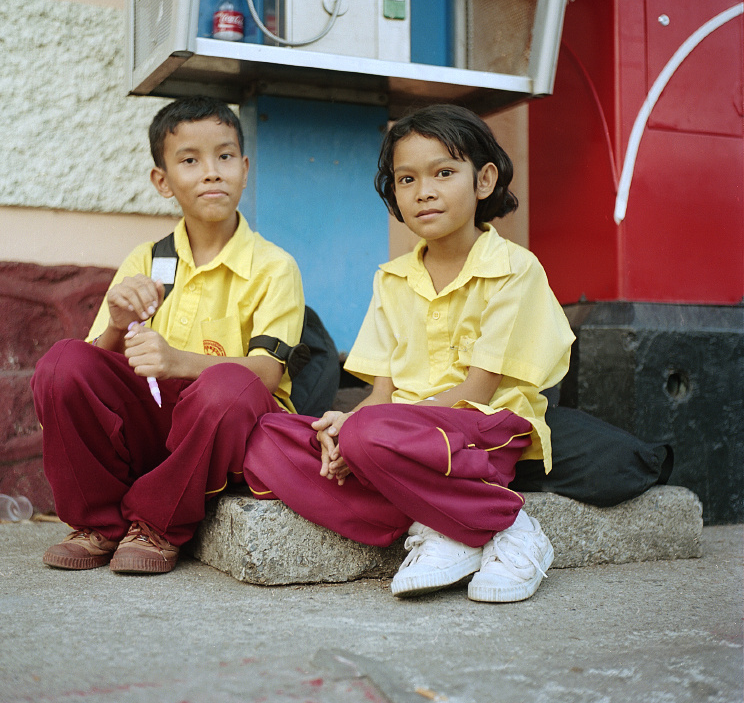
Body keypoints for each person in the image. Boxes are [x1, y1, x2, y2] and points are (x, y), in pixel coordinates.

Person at [243, 103, 575, 603]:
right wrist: (341, 429)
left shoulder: (514, 268)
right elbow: (382, 394)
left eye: (444, 172)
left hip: (484, 428)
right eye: (406, 179)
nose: (424, 191)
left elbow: (478, 390)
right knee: (265, 436)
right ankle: (439, 521)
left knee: (370, 434)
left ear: (483, 180)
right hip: (397, 435)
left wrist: (366, 432)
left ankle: (509, 529)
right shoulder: (392, 278)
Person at [31, 96, 305, 575]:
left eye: (224, 157)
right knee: (62, 362)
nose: (211, 172)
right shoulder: (146, 259)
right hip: (157, 425)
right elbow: (90, 372)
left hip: (228, 430)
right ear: (162, 181)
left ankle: (156, 523)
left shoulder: (273, 267)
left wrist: (178, 361)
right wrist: (117, 324)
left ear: (244, 168)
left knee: (229, 385)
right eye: (190, 160)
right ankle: (99, 524)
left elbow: (264, 374)